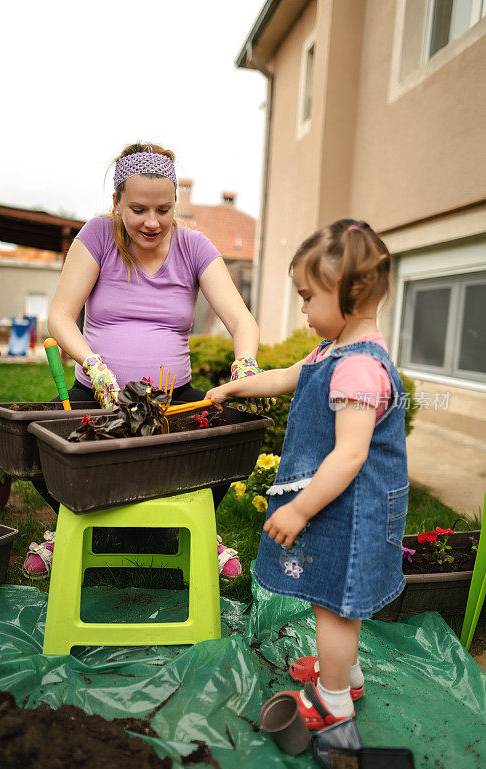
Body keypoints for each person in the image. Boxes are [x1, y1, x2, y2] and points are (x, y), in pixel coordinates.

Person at [23, 141, 269, 580]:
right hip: (97, 395)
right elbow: (60, 316)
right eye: (138, 209)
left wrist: (246, 364)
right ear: (116, 203)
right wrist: (92, 363)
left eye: (164, 209)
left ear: (175, 205)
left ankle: (198, 528)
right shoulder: (97, 234)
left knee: (225, 444)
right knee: (44, 450)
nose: (152, 222)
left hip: (172, 399)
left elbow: (242, 321)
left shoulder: (194, 246)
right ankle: (71, 523)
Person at [205, 219, 408, 730]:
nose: (302, 309)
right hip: (341, 506)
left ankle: (334, 699)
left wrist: (298, 509)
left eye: (307, 297)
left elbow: (348, 456)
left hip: (351, 511)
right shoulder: (331, 352)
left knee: (335, 608)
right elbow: (286, 377)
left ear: (347, 296)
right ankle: (349, 673)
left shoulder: (359, 368)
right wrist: (236, 388)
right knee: (337, 600)